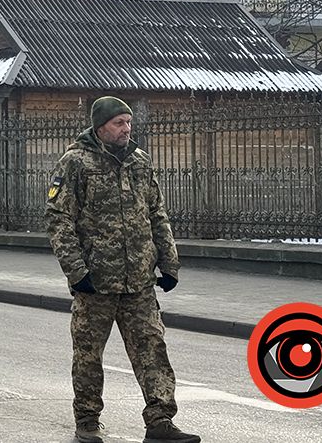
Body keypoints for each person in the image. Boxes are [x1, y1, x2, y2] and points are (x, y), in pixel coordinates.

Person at [46, 97, 200, 443]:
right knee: (88, 355)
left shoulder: (139, 161)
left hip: (139, 281)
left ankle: (160, 422)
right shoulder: (75, 162)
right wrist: (76, 271)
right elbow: (59, 220)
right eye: (119, 123)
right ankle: (87, 421)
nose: (126, 129)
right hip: (95, 283)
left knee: (153, 350)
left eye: (129, 122)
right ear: (101, 126)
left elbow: (156, 212)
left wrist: (169, 262)